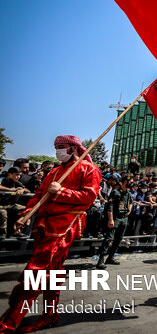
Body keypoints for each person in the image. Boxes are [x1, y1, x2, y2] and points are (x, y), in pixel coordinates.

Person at [0, 135, 101, 332]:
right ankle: (50, 316)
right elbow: (39, 195)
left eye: (62, 147)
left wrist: (61, 191)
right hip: (44, 225)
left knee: (35, 271)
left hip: (65, 225)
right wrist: (26, 214)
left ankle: (9, 322)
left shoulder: (89, 169)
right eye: (56, 147)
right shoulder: (54, 172)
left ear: (73, 148)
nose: (58, 150)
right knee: (51, 273)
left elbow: (89, 197)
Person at [96, 175, 133, 269]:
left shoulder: (128, 193)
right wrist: (111, 219)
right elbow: (110, 207)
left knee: (119, 238)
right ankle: (101, 260)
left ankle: (111, 257)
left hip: (124, 218)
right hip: (115, 217)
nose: (132, 183)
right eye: (130, 181)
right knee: (108, 238)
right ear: (125, 181)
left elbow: (131, 202)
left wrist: (129, 210)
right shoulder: (115, 192)